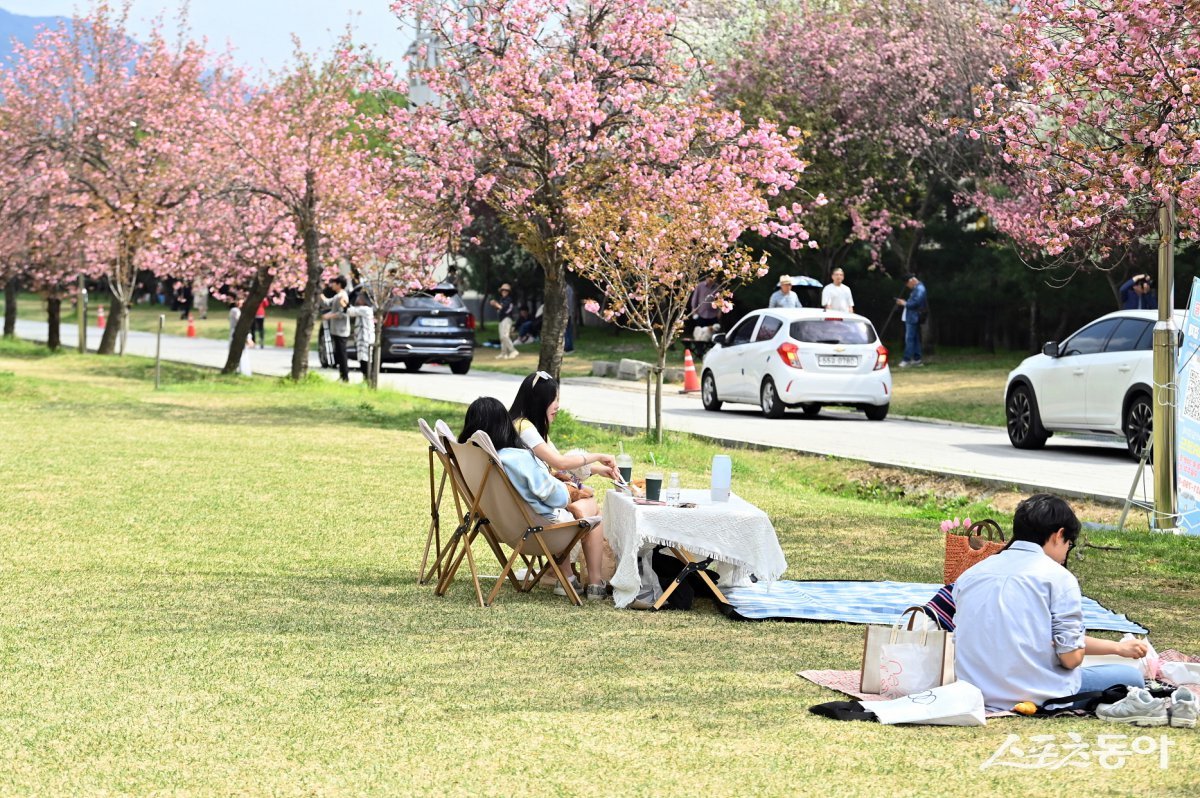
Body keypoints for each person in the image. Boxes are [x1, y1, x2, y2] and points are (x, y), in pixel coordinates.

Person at [954, 494, 1147, 713]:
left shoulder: (971, 574)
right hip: (1038, 694)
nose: (1065, 554)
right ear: (1059, 535)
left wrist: (1116, 648)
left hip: (974, 691)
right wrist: (1067, 646)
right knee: (1131, 677)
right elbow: (1071, 658)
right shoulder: (1058, 578)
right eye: (1069, 544)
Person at [459, 396, 610, 600]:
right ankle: (595, 584)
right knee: (591, 508)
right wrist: (572, 490)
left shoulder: (473, 461)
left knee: (567, 509)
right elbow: (555, 497)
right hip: (539, 534)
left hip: (500, 529)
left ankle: (567, 578)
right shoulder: (516, 457)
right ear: (505, 424)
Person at [319, 275, 351, 382]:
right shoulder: (338, 296)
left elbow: (343, 313)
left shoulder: (343, 296)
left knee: (342, 354)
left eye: (334, 283)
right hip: (337, 330)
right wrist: (320, 293)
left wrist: (329, 316)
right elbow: (327, 303)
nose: (332, 285)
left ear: (339, 284)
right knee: (338, 353)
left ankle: (345, 377)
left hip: (341, 330)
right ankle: (342, 376)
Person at [895, 273, 927, 367]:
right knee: (915, 339)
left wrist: (904, 303)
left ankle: (906, 359)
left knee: (909, 339)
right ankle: (917, 359)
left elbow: (916, 303)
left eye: (907, 284)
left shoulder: (920, 289)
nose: (907, 286)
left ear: (911, 281)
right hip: (912, 316)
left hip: (913, 317)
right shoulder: (918, 288)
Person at [345, 290, 376, 379]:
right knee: (364, 358)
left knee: (364, 359)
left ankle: (367, 378)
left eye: (360, 297)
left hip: (365, 338)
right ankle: (367, 378)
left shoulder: (365, 309)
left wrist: (345, 302)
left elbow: (349, 311)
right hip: (363, 337)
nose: (357, 299)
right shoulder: (365, 309)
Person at [489, 283, 518, 360]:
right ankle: (504, 353)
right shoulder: (502, 299)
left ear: (508, 292)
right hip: (501, 319)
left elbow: (502, 308)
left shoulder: (509, 299)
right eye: (503, 290)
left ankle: (513, 351)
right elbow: (499, 309)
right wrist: (495, 305)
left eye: (506, 290)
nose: (504, 291)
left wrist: (495, 304)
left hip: (507, 319)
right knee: (502, 337)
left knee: (505, 336)